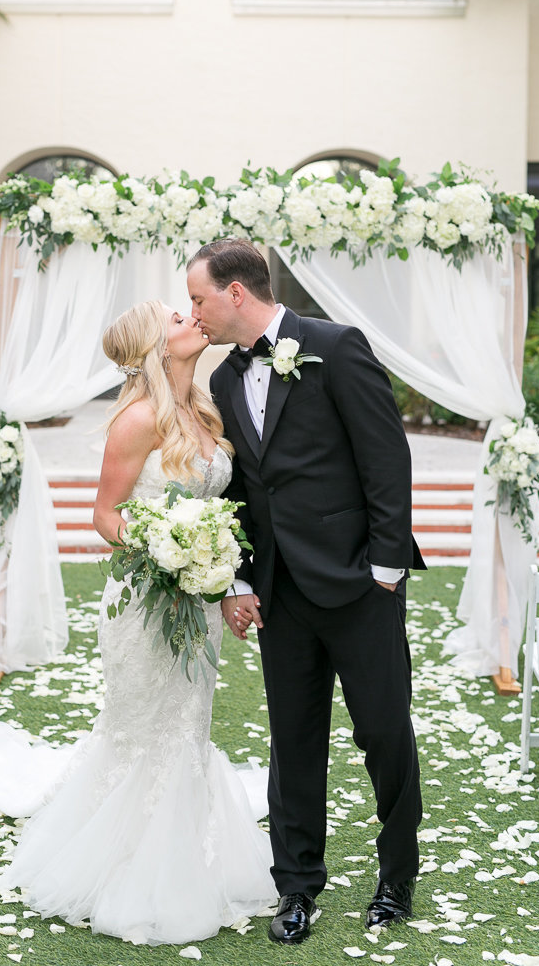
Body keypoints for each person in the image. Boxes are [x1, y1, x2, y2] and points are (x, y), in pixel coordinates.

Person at [0, 299, 275, 946]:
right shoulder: (138, 419)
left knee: (189, 722)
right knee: (143, 731)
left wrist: (214, 567)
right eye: (177, 318)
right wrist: (167, 549)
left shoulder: (205, 407)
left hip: (199, 602)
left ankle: (192, 850)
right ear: (157, 347)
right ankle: (128, 869)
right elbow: (105, 516)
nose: (193, 318)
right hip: (145, 603)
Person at [186, 239, 424, 944]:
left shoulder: (336, 345)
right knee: (293, 742)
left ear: (236, 294)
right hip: (278, 594)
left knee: (383, 730)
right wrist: (236, 578)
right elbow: (237, 493)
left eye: (199, 298)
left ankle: (397, 874)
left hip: (358, 584)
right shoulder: (225, 381)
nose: (193, 313)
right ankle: (296, 887)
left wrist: (385, 569)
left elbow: (386, 457)